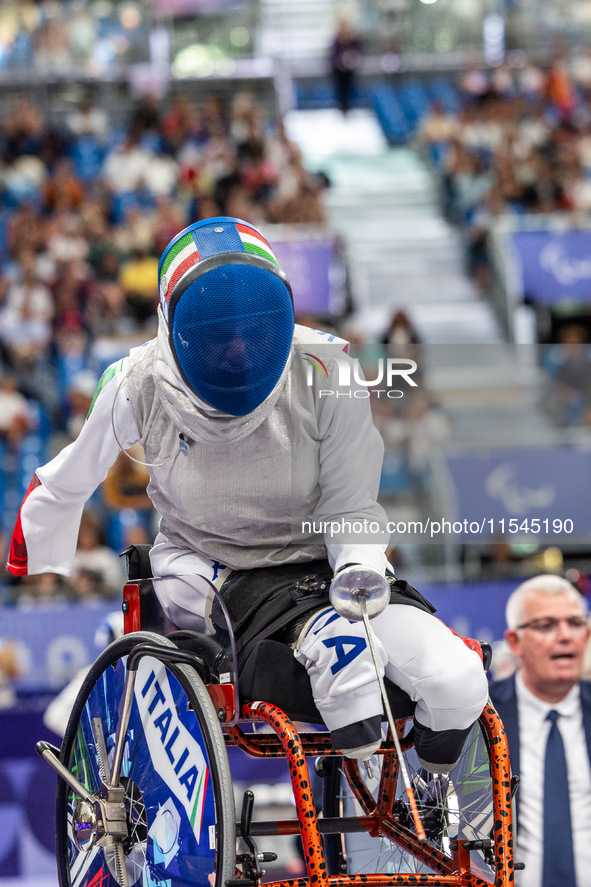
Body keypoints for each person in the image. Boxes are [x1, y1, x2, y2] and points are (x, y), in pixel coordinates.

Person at [6, 216, 487, 766]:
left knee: (458, 683)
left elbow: (351, 503)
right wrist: (34, 539)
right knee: (346, 697)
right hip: (204, 561)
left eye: (251, 329)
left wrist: (357, 579)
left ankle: (420, 776)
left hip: (317, 561)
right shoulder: (136, 382)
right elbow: (74, 469)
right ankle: (321, 640)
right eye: (216, 333)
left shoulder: (329, 369)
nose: (237, 349)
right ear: (175, 326)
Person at [489, 575, 591, 887]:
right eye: (546, 625)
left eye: (575, 623)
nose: (565, 636)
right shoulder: (480, 716)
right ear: (515, 641)